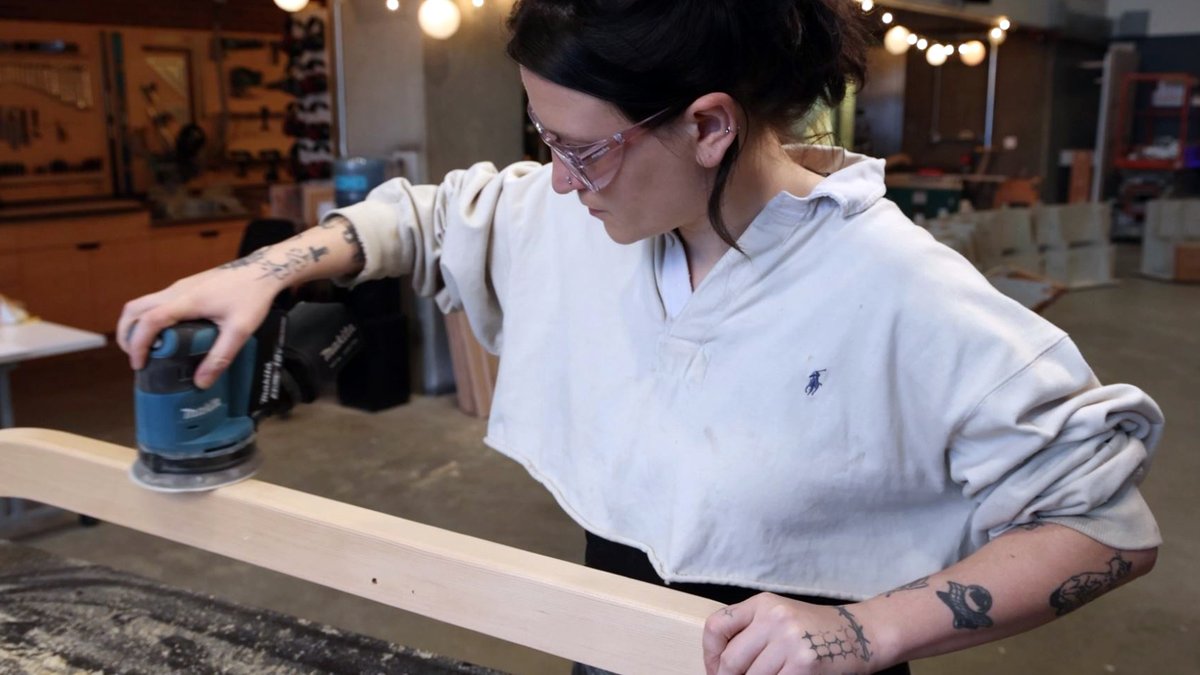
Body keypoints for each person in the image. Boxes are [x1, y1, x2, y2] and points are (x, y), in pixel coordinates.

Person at [117, 1, 1163, 673]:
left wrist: (866, 629)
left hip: (800, 653)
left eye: (581, 150)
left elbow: (1104, 528)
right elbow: (433, 217)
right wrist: (259, 272)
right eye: (545, 142)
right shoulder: (595, 216)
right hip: (606, 622)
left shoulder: (905, 295)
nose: (557, 183)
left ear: (708, 125)